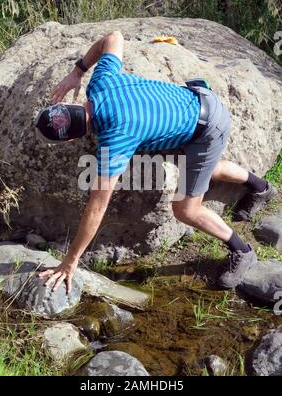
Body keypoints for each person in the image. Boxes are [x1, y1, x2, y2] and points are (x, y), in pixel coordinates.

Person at [35, 30, 278, 293]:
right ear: (74, 105)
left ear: (71, 140)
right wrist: (78, 72)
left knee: (185, 209)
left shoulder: (115, 138)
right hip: (197, 103)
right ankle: (261, 188)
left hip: (207, 128)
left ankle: (242, 250)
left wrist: (70, 262)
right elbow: (115, 37)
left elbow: (97, 205)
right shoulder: (101, 83)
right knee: (197, 169)